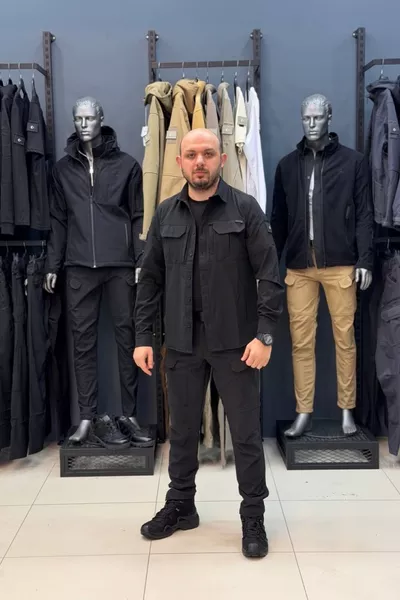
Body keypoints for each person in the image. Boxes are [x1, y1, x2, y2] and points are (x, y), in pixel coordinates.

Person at [134, 128, 283, 559]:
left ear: (221, 160)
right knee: (182, 431)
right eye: (192, 154)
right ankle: (181, 505)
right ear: (179, 162)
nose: (200, 161)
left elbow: (270, 275)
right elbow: (150, 281)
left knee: (246, 434)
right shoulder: (166, 214)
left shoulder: (246, 209)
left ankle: (253, 516)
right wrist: (144, 337)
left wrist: (265, 335)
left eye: (208, 153)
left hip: (236, 343)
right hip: (181, 343)